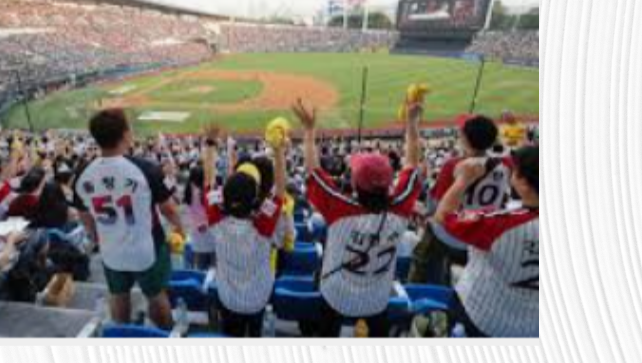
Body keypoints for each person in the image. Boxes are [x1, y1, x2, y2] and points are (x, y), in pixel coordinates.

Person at [291, 97, 424, 337]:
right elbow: (412, 167)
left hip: (336, 294)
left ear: (354, 183)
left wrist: (309, 131)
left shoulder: (339, 207)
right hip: (377, 299)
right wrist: (412, 125)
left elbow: (312, 173)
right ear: (389, 183)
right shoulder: (402, 205)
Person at [74, 109, 185, 326]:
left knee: (118, 294)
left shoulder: (83, 173)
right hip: (146, 248)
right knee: (156, 294)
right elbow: (169, 209)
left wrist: (95, 236)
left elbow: (83, 213)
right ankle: (165, 333)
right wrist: (180, 229)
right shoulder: (146, 169)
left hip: (110, 249)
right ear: (125, 134)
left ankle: (122, 333)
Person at [435, 145, 539, 337]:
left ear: (524, 183)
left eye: (516, 171)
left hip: (485, 317)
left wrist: (463, 179)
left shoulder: (501, 223)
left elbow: (443, 216)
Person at [201, 125, 286, 336]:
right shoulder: (263, 226)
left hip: (228, 299)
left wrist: (210, 145)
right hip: (258, 298)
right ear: (255, 199)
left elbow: (208, 182)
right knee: (254, 335)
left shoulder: (216, 220)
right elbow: (280, 192)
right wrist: (278, 151)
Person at [409, 114, 510, 285]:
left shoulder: (453, 165)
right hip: (482, 237)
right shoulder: (507, 164)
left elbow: (435, 207)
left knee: (422, 253)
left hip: (452, 236)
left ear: (465, 140)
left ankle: (417, 285)